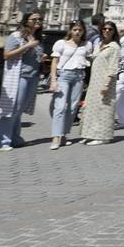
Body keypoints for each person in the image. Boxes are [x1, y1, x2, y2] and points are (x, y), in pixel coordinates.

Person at [0, 12, 44, 150]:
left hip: (32, 77)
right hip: (19, 76)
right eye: (34, 19)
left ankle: (15, 137)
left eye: (40, 19)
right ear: (26, 21)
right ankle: (1, 140)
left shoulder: (37, 37)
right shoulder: (16, 36)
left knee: (20, 109)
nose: (38, 21)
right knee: (14, 108)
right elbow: (7, 55)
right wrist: (27, 46)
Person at [49, 21, 92, 150]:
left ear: (83, 31)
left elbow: (89, 60)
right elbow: (54, 61)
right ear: (70, 31)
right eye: (75, 30)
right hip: (64, 75)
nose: (77, 32)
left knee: (73, 107)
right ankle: (55, 136)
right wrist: (53, 79)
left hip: (79, 76)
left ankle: (63, 135)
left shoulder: (87, 45)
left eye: (80, 30)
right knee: (60, 107)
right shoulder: (61, 44)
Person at [80, 21, 121, 145]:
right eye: (104, 29)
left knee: (104, 108)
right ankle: (90, 133)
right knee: (91, 107)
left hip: (105, 81)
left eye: (110, 29)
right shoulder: (98, 44)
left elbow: (113, 67)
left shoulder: (114, 47)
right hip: (94, 81)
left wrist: (106, 83)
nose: (107, 31)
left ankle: (103, 136)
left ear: (114, 32)